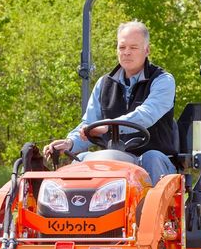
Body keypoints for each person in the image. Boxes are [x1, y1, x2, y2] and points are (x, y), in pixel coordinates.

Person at [44, 21, 177, 186]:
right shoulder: (104, 83)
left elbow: (147, 113)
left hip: (151, 162)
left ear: (147, 50)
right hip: (113, 161)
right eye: (122, 47)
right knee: (81, 160)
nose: (126, 52)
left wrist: (109, 127)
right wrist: (70, 142)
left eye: (133, 48)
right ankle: (70, 209)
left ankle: (153, 210)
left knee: (152, 157)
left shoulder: (162, 81)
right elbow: (89, 124)